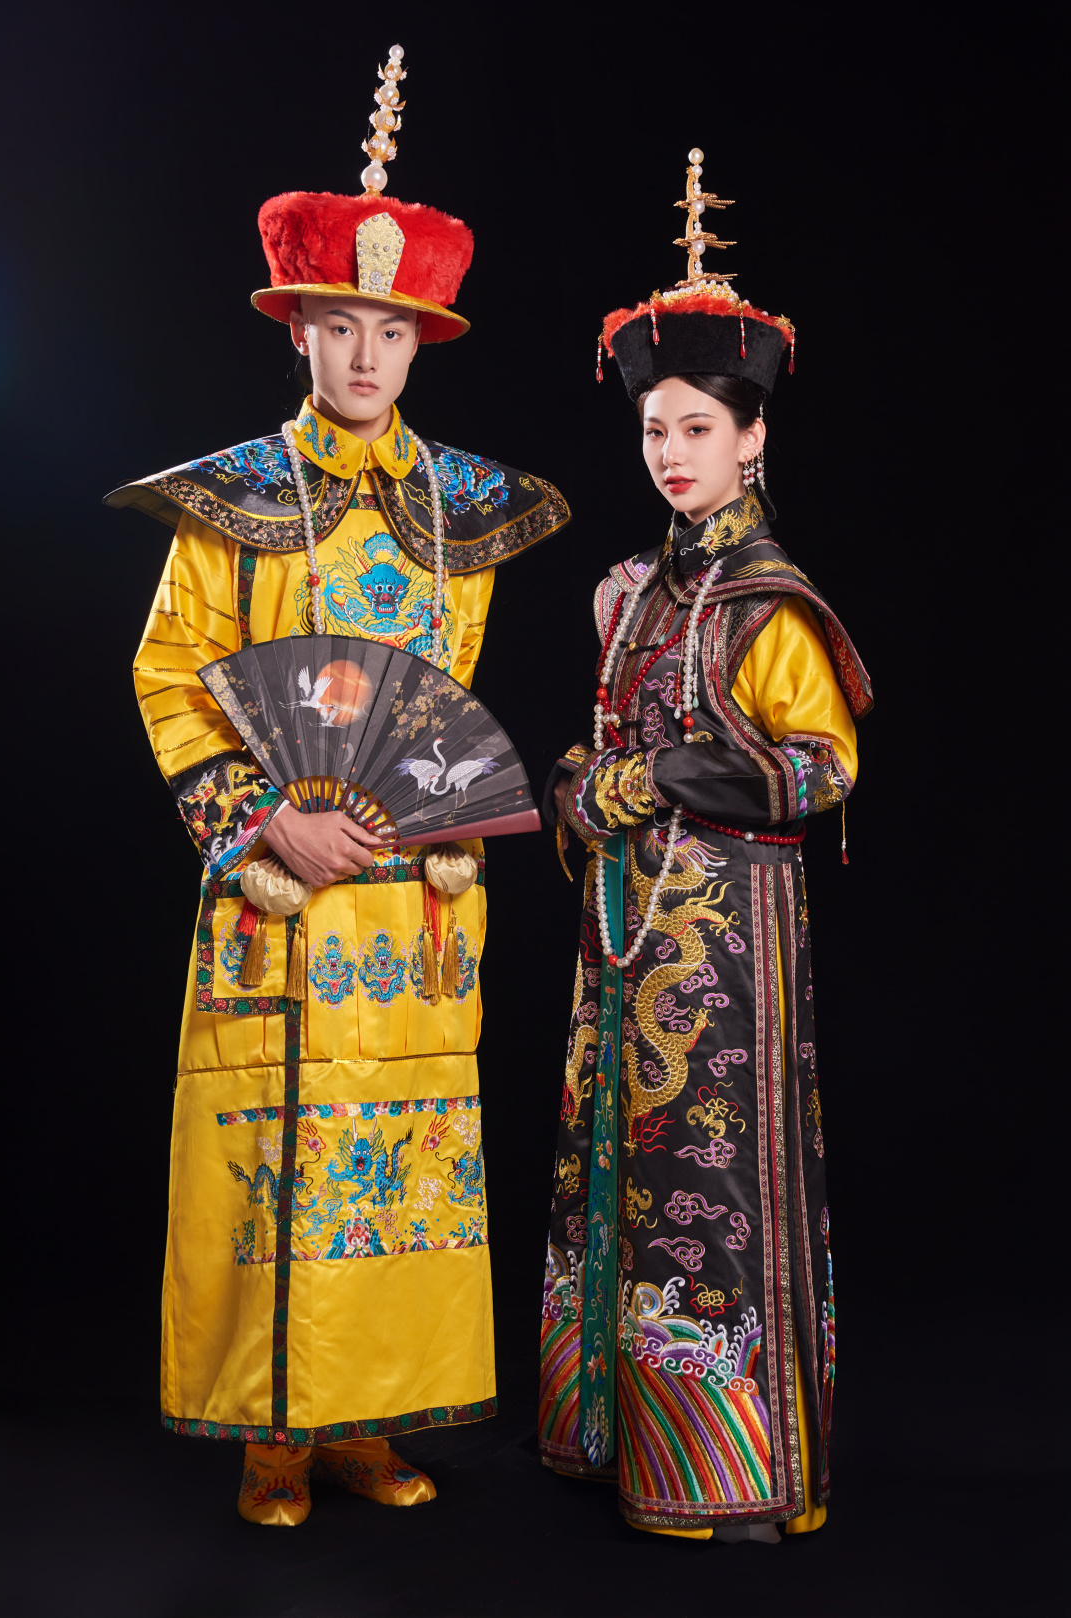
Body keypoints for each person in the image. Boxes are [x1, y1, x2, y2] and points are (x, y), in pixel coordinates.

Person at [108, 45, 569, 1527]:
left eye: (390, 332)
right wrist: (262, 822)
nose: (365, 358)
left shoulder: (460, 515)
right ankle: (275, 1434)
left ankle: (373, 1419)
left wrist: (431, 822)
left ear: (421, 343)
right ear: (297, 328)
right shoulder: (234, 503)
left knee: (405, 1156)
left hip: (411, 894)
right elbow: (172, 673)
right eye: (340, 327)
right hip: (275, 882)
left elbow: (448, 707)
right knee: (274, 1153)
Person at [538, 150, 871, 1540]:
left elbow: (821, 768)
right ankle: (620, 1439)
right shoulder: (628, 595)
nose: (670, 452)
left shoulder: (770, 602)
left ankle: (729, 1470)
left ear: (751, 437)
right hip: (624, 936)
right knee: (616, 1168)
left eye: (695, 427)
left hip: (729, 948)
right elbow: (593, 751)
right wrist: (583, 791)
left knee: (715, 1187)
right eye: (653, 430)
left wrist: (658, 776)